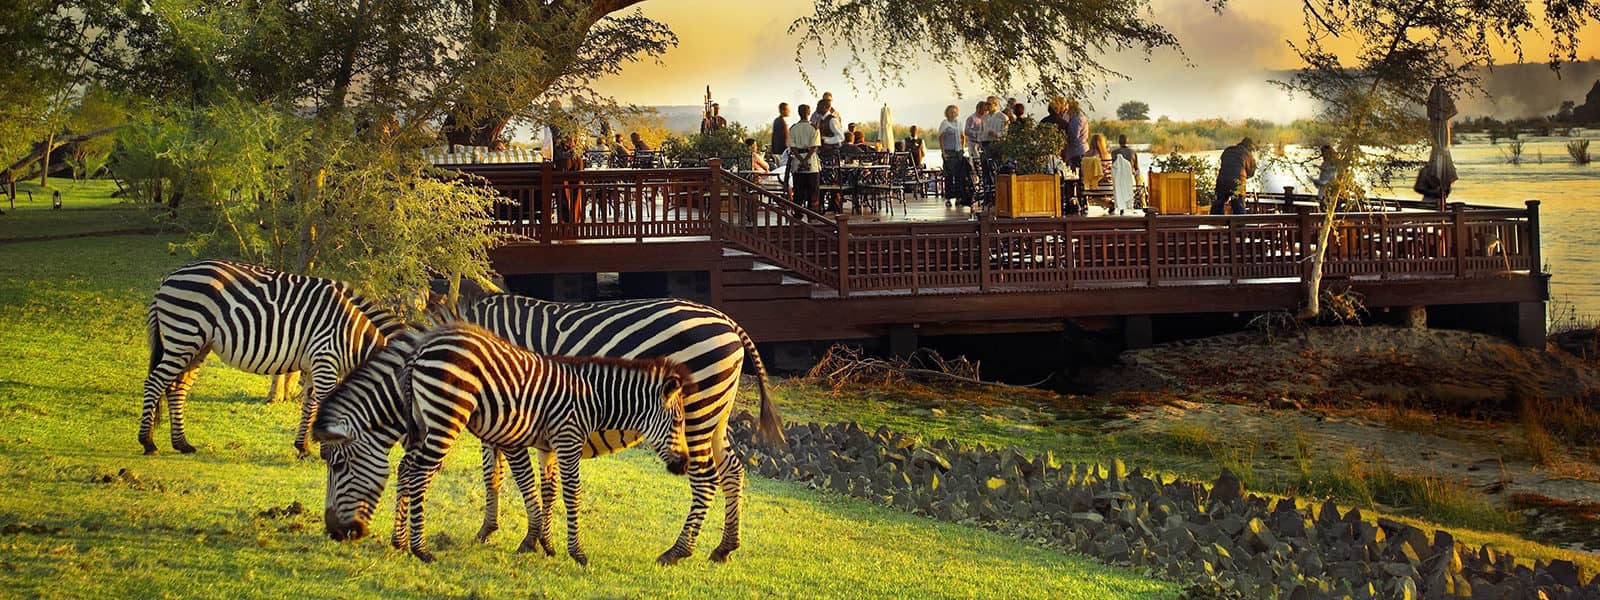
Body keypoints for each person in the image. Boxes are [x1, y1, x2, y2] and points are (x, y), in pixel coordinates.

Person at [546, 100, 583, 223]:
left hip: (563, 159)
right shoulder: (572, 119)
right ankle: (575, 220)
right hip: (577, 158)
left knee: (563, 190)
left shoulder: (553, 122)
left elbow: (555, 141)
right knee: (577, 189)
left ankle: (565, 221)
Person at [1211, 137, 1258, 215]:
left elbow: (1223, 162)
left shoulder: (1228, 150)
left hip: (1222, 181)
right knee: (1238, 205)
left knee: (1218, 203)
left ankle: (1215, 224)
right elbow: (1251, 172)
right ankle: (1240, 225)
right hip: (1237, 182)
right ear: (1249, 146)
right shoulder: (1247, 154)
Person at [788, 104, 822, 211]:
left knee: (798, 190)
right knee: (813, 190)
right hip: (811, 162)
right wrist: (806, 160)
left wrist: (801, 160)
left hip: (797, 162)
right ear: (809, 113)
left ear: (799, 113)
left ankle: (798, 213)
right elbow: (813, 147)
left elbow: (793, 148)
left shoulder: (793, 129)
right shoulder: (813, 128)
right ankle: (813, 213)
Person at [938, 105, 969, 206]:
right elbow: (941, 138)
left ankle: (959, 197)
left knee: (960, 175)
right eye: (951, 112)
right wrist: (943, 152)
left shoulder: (959, 123)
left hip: (958, 151)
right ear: (947, 113)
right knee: (949, 175)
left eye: (955, 112)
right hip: (949, 151)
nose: (953, 114)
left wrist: (962, 148)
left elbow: (963, 136)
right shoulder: (945, 123)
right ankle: (948, 198)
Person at [1064, 99, 1089, 171]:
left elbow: (1074, 136)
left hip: (1076, 152)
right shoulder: (1081, 117)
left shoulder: (1076, 119)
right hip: (1081, 149)